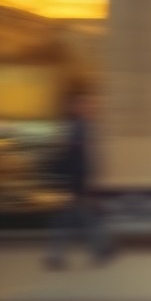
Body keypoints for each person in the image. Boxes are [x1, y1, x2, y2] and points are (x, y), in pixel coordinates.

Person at [45, 91, 114, 269]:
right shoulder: (78, 128)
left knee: (78, 219)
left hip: (79, 182)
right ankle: (100, 249)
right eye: (84, 105)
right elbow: (78, 159)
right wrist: (85, 183)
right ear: (75, 107)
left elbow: (86, 157)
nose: (90, 107)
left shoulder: (82, 127)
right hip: (79, 182)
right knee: (79, 219)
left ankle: (98, 249)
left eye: (90, 104)